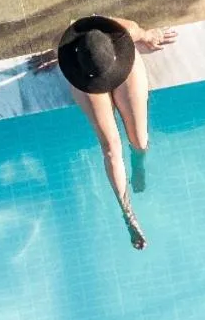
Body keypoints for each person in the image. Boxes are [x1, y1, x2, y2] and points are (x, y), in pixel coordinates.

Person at [54, 16, 177, 250]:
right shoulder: (71, 49)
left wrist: (148, 34)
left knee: (139, 140)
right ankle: (127, 213)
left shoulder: (121, 33)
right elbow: (58, 44)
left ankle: (138, 163)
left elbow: (136, 30)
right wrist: (57, 56)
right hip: (86, 76)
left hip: (119, 63)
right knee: (111, 149)